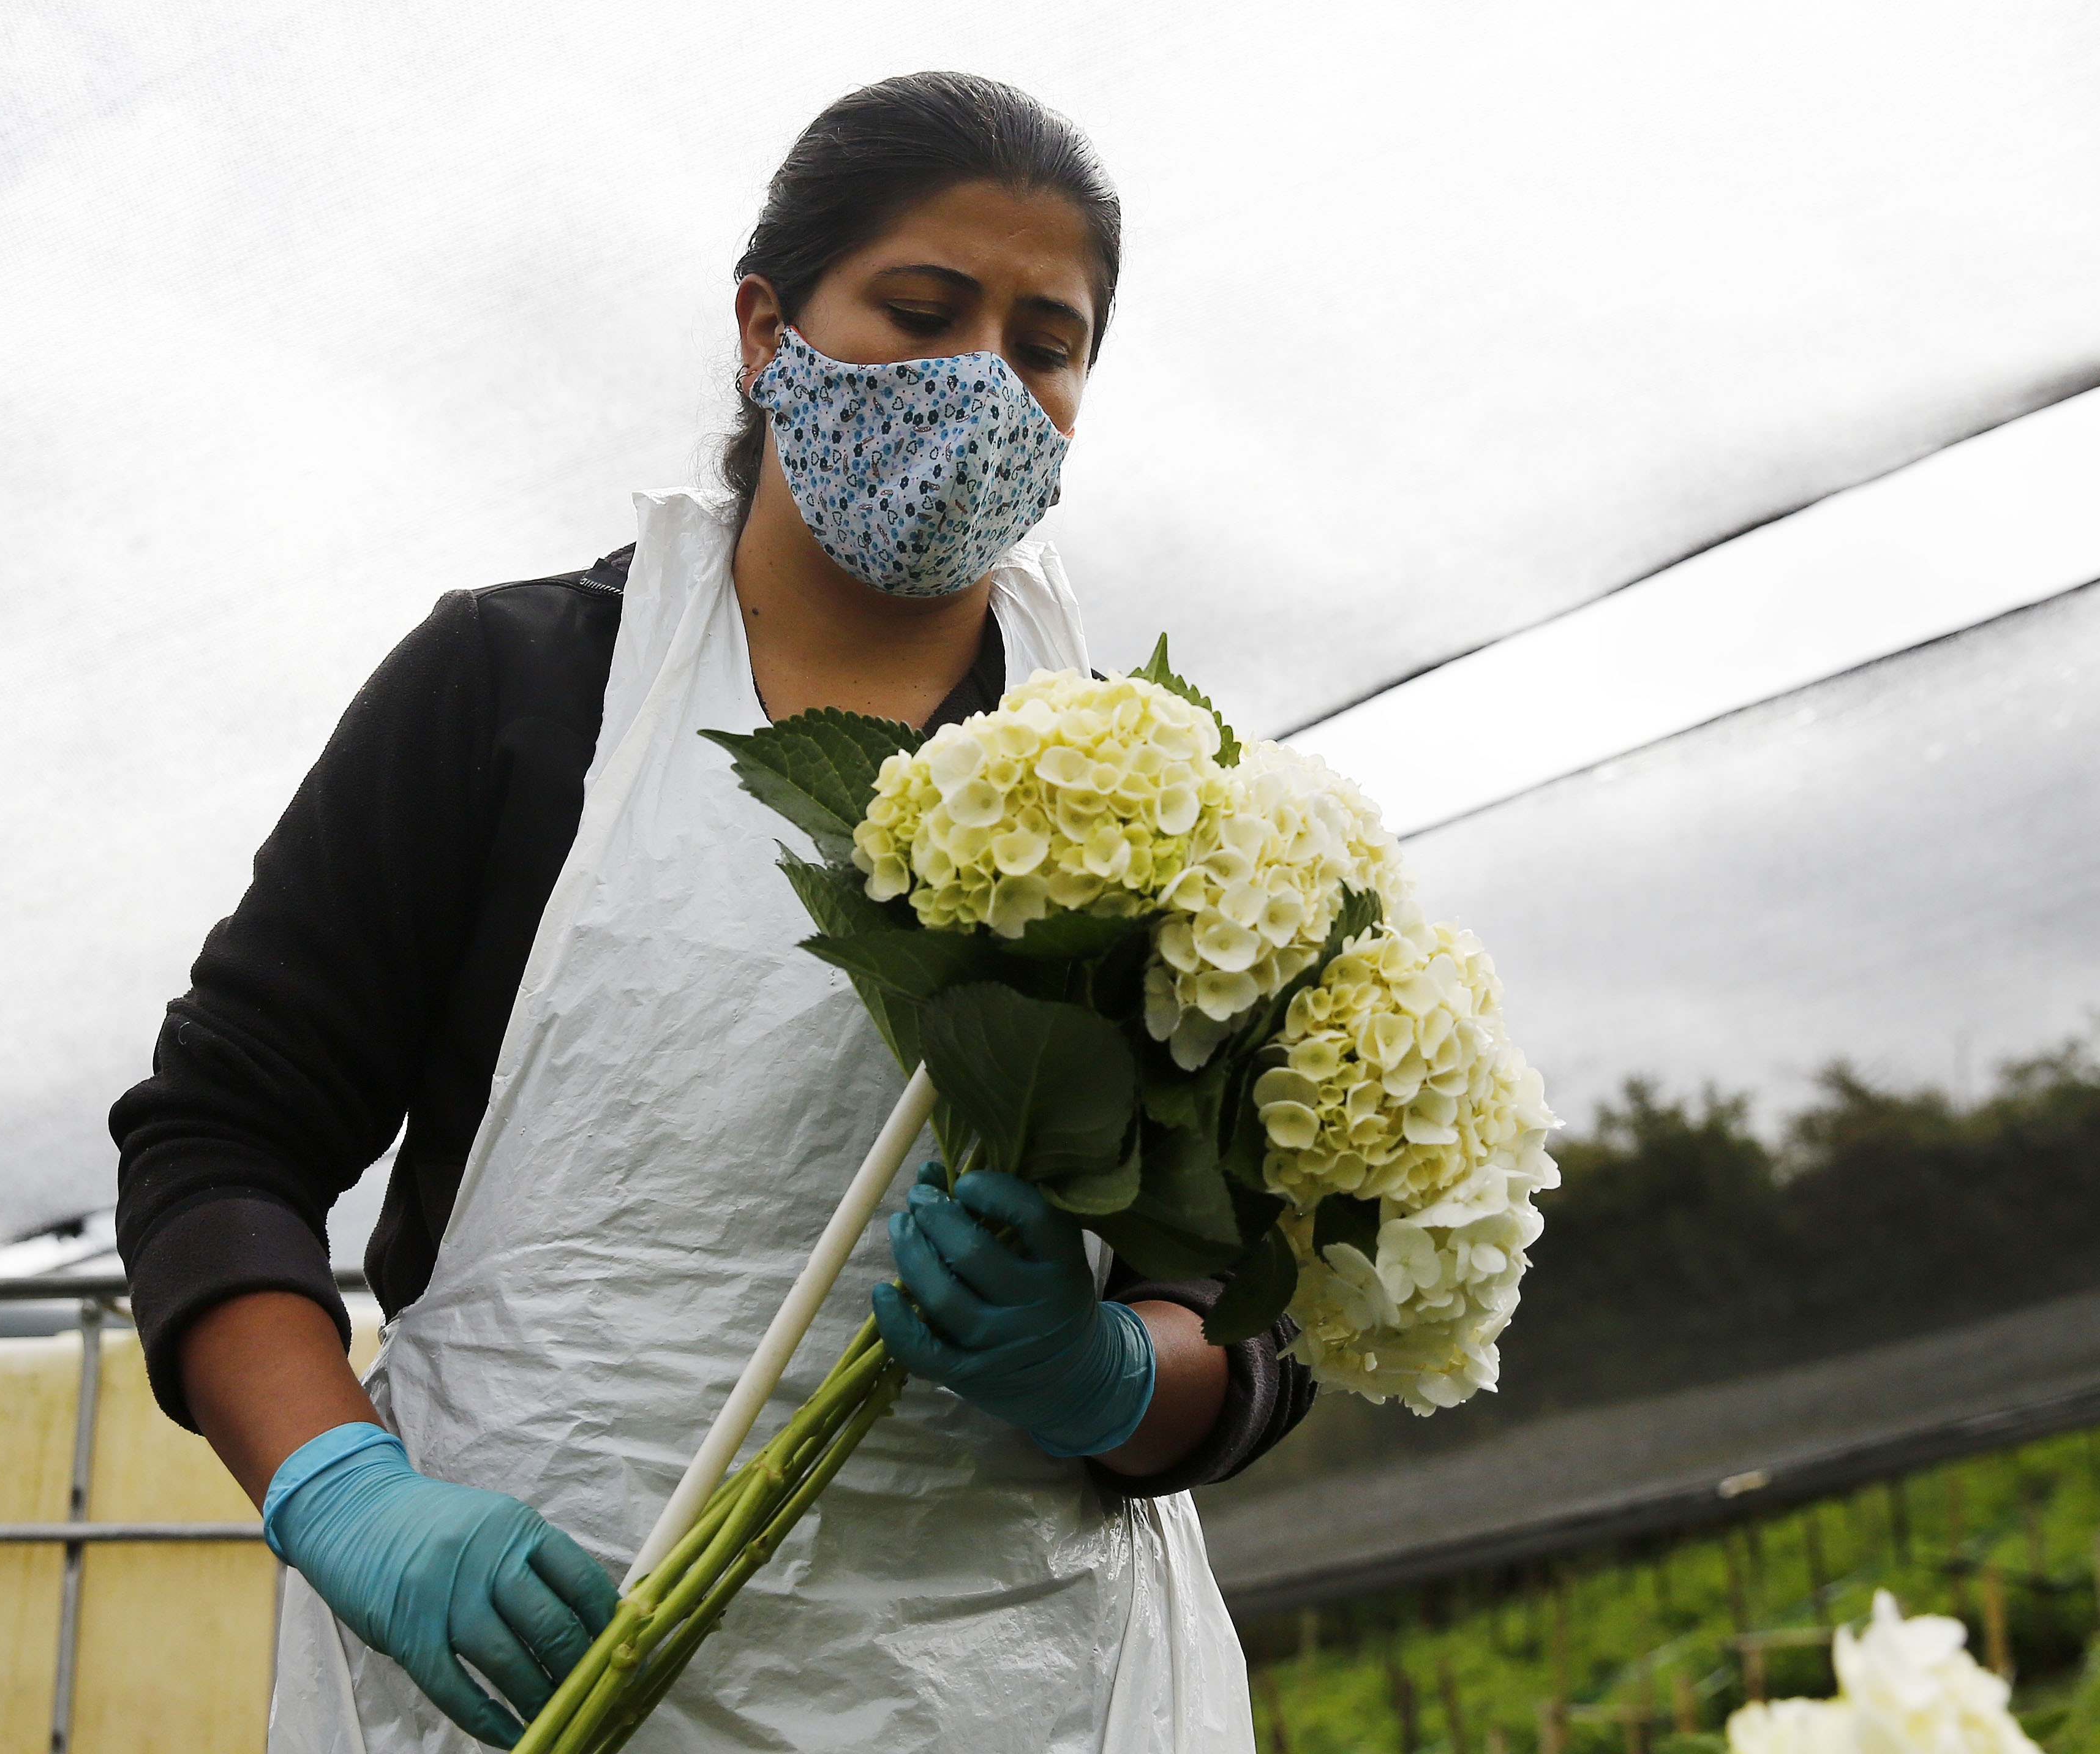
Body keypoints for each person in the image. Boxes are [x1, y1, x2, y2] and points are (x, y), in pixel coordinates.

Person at [112, 70, 1313, 1753]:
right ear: (766, 330)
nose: (985, 381)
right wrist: (341, 1487)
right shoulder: (514, 693)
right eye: (921, 310)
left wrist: (1108, 1373)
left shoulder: (1162, 805)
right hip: (530, 1675)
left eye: (1046, 345)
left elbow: (1267, 1312)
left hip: (1017, 1691)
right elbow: (218, 1138)